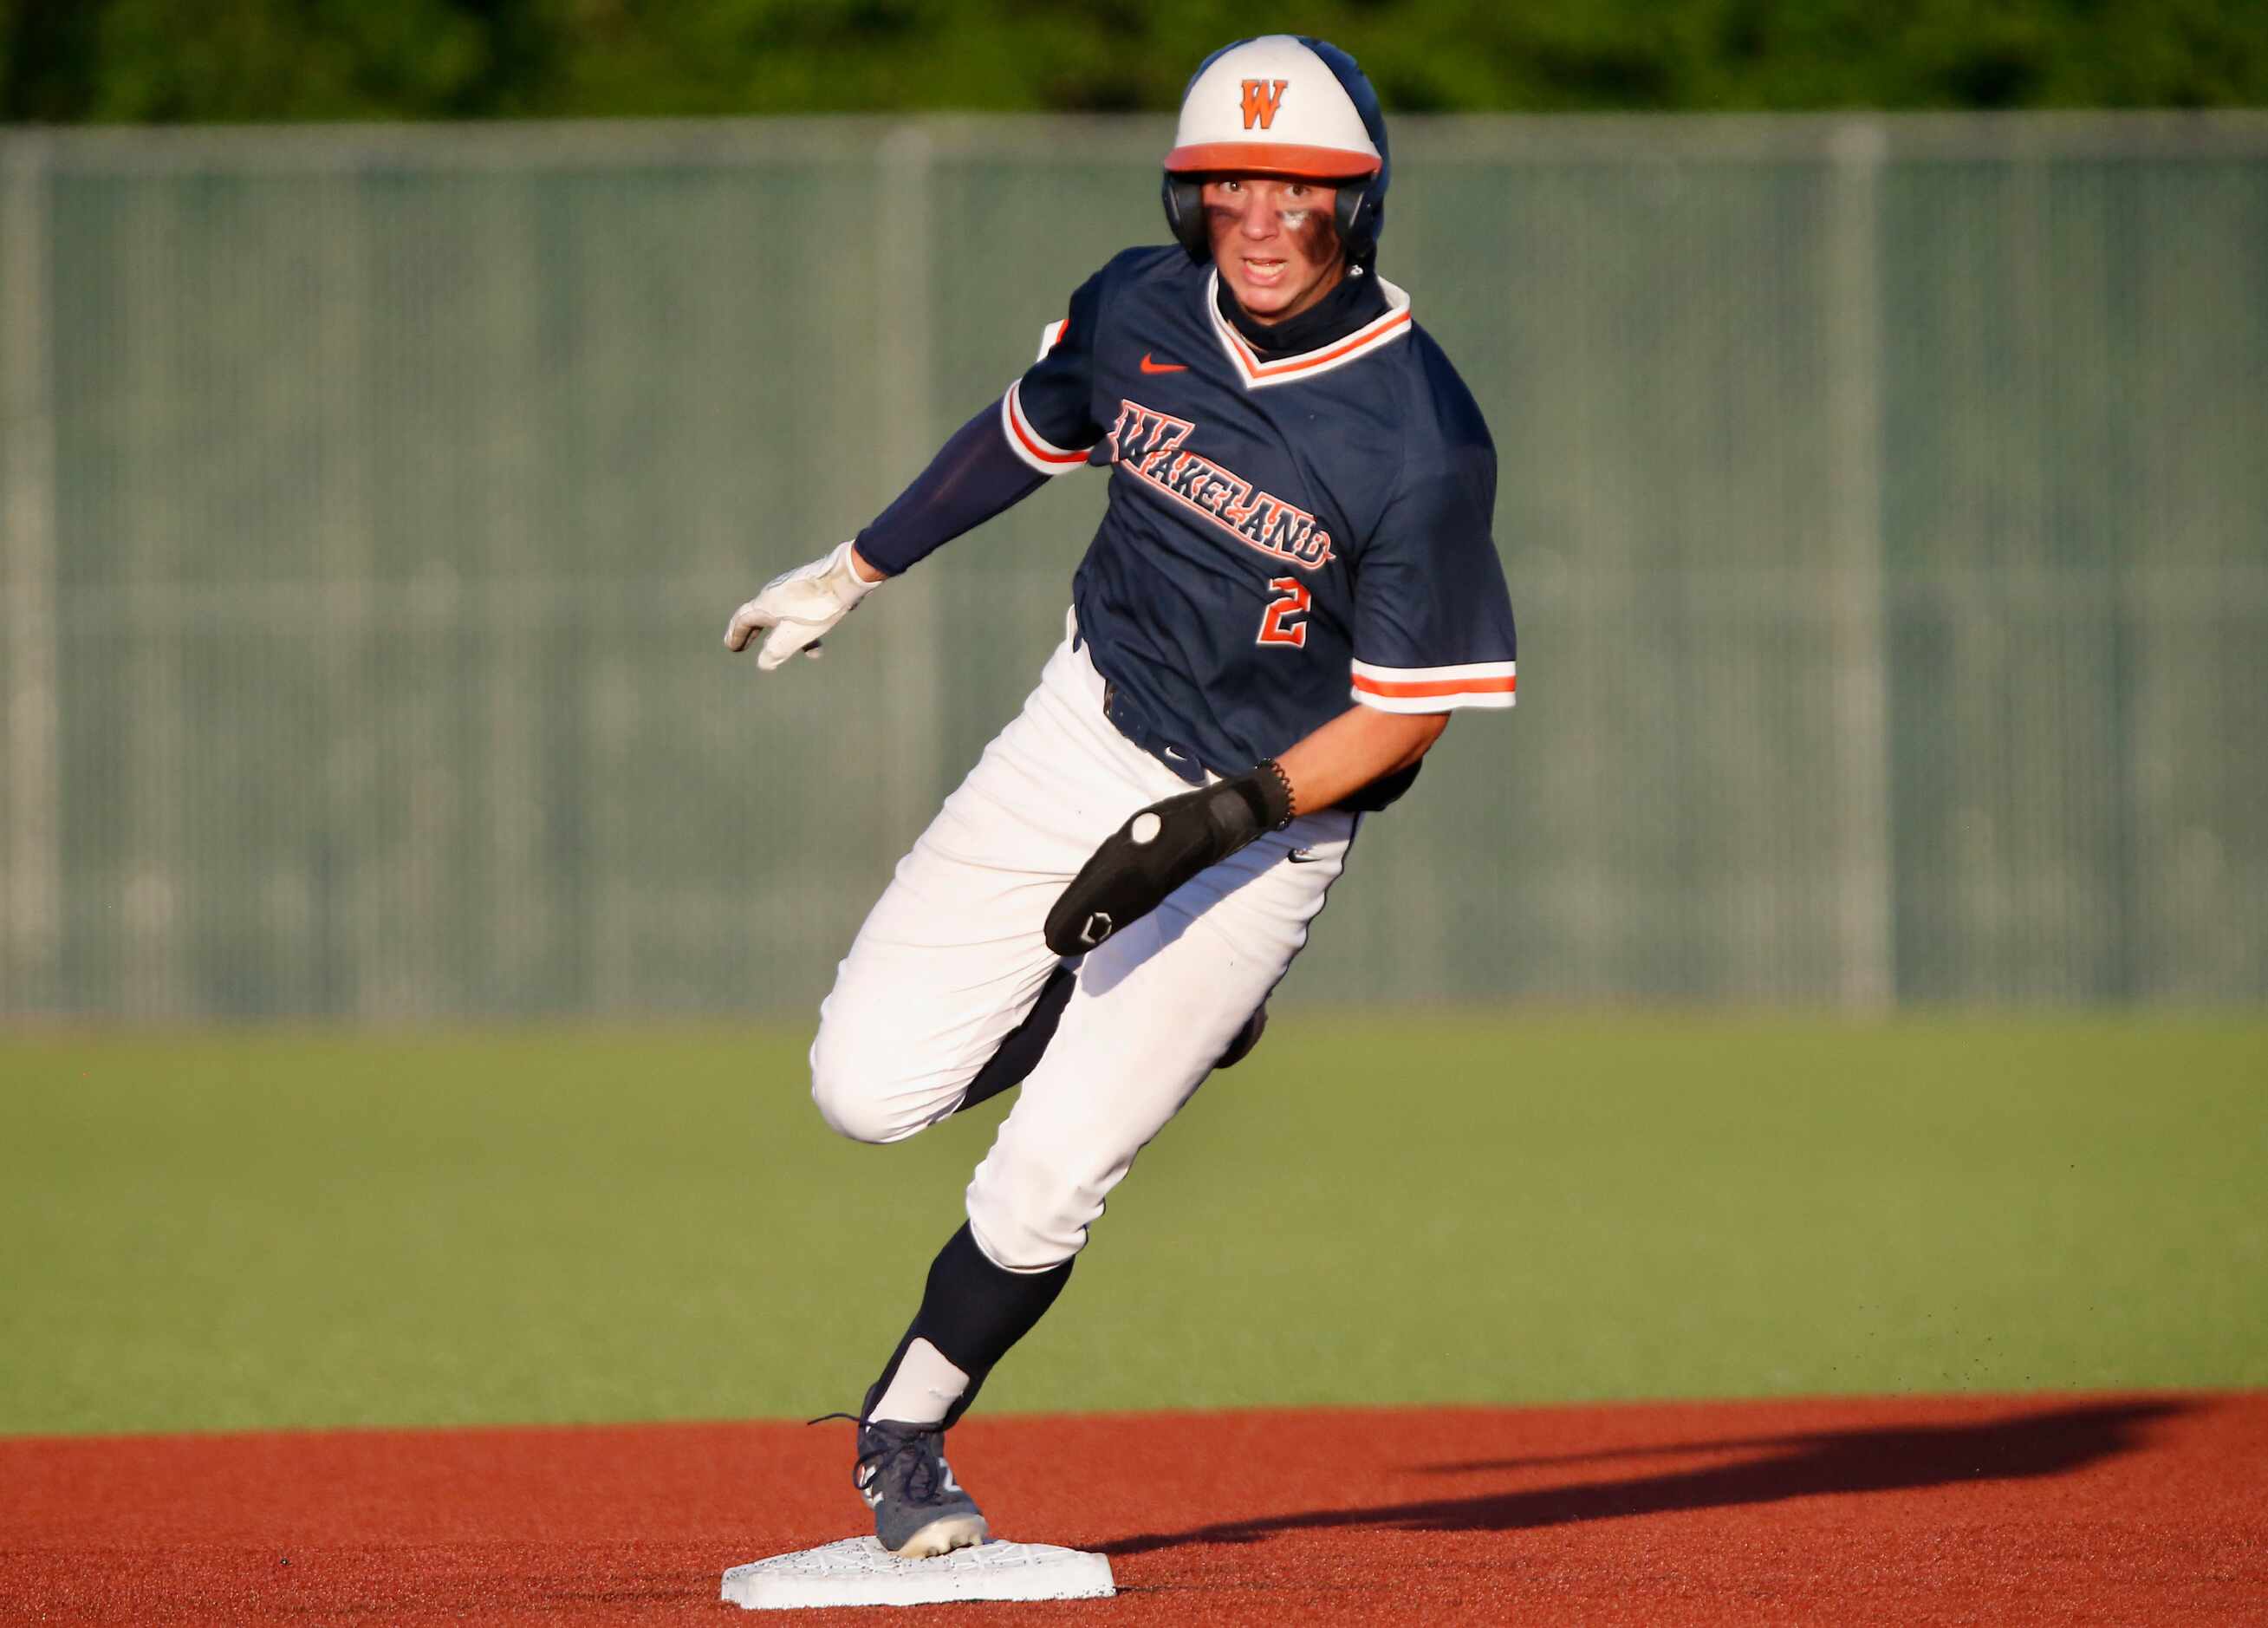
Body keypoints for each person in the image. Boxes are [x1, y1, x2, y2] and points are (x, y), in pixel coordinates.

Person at [725, 34, 1517, 1558]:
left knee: (1046, 1178)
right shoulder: (1139, 304)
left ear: (1360, 206)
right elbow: (1028, 433)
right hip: (1082, 731)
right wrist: (853, 569)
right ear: (1189, 200)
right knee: (865, 1092)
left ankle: (902, 1432)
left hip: (1265, 819)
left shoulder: (1417, 432)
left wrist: (1221, 823)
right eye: (1231, 187)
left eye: (1303, 190)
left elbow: (1405, 722)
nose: (1264, 219)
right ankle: (1151, 1006)